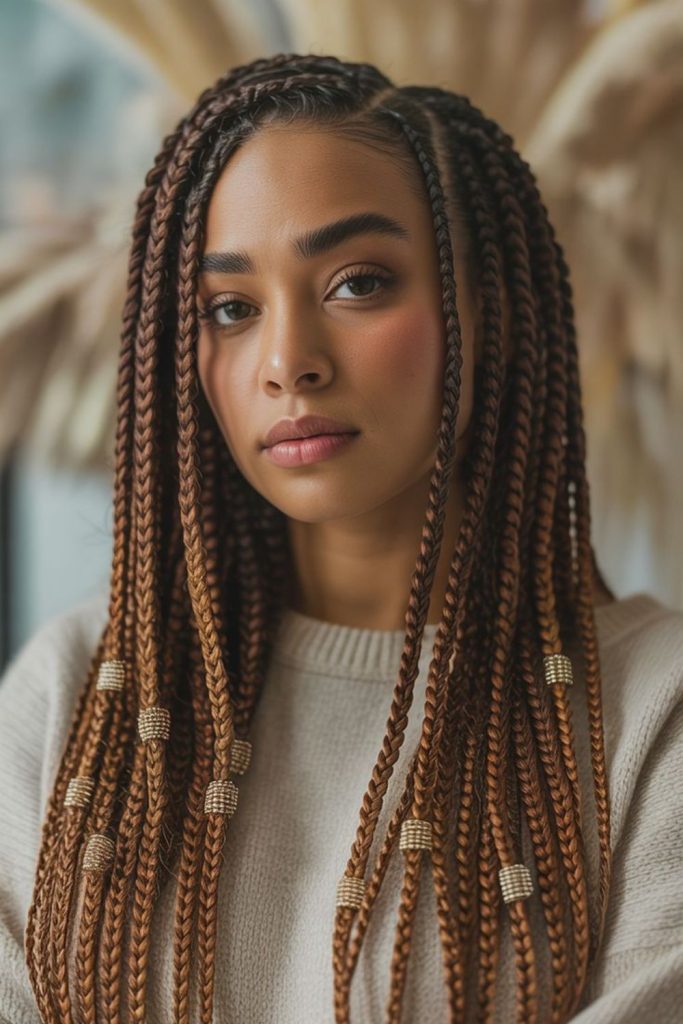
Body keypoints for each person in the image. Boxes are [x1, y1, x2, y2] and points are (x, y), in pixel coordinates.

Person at [0, 51, 681, 1024]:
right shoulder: (76, 697)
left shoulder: (652, 714)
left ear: (486, 312)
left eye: (357, 283)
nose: (287, 363)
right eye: (231, 308)